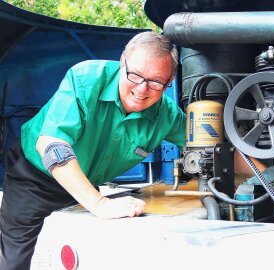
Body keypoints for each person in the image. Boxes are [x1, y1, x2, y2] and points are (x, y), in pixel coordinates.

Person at [0, 31, 186, 270]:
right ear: (122, 63)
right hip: (34, 176)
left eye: (155, 82)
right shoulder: (85, 78)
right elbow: (51, 146)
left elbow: (211, 146)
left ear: (169, 82)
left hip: (84, 182)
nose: (142, 89)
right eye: (135, 75)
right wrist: (99, 203)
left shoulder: (168, 116)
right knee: (13, 262)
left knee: (92, 256)